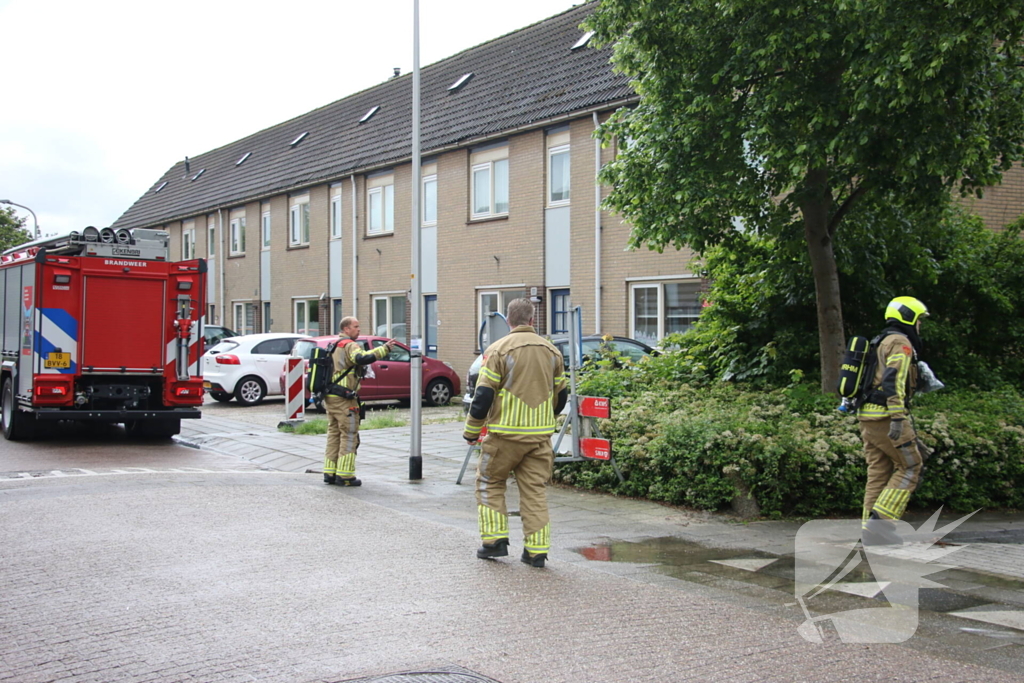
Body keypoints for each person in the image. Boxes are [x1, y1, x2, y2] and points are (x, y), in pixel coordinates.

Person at [463, 298, 569, 568]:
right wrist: (547, 419)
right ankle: (537, 552)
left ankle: (494, 542)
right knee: (534, 491)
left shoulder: (498, 350)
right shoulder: (552, 351)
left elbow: (483, 395)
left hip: (504, 437)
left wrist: (471, 431)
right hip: (540, 438)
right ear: (532, 320)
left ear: (508, 321)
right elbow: (562, 394)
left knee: (489, 482)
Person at [857, 296, 929, 546]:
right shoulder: (900, 342)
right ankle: (881, 525)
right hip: (888, 418)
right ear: (908, 317)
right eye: (919, 320)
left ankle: (869, 529)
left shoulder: (881, 340)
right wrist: (898, 418)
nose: (919, 326)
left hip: (867, 417)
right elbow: (894, 380)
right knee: (911, 466)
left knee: (878, 470)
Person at [323, 316, 393, 487]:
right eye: (356, 326)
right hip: (344, 399)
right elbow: (360, 358)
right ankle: (345, 476)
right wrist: (383, 350)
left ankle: (330, 473)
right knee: (349, 434)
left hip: (330, 397)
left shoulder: (333, 345)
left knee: (334, 434)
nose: (358, 329)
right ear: (346, 329)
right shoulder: (349, 345)